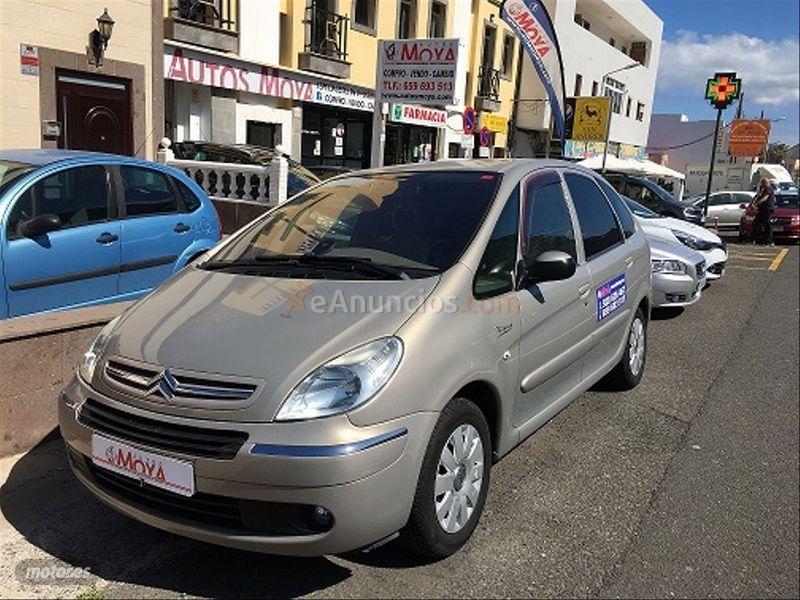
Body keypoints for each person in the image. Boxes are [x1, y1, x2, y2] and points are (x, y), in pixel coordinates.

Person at [752, 177, 775, 245]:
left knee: (767, 225)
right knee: (756, 223)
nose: (761, 184)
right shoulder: (763, 190)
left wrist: (757, 204)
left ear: (765, 183)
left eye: (762, 183)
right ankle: (754, 239)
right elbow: (758, 197)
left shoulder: (768, 189)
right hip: (761, 209)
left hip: (767, 209)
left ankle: (769, 241)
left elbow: (765, 198)